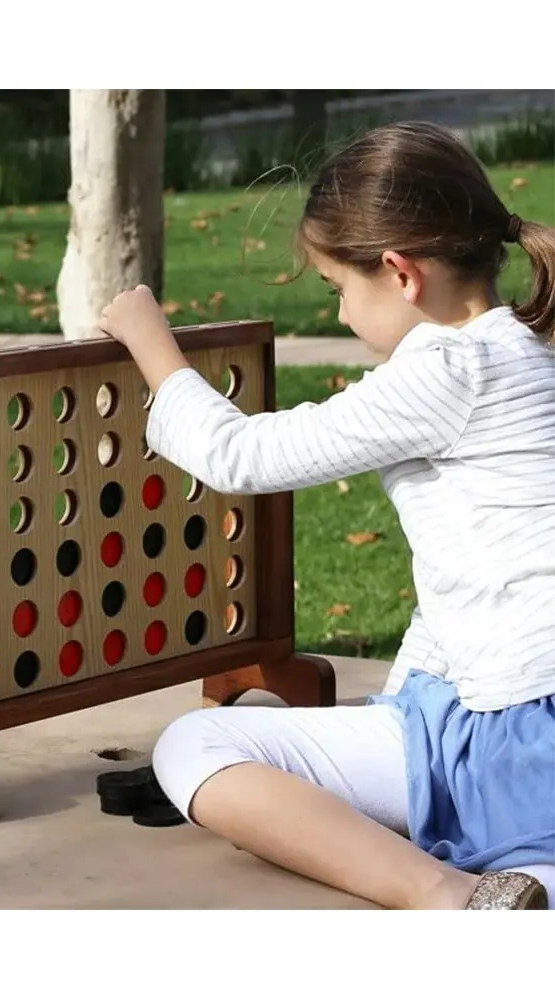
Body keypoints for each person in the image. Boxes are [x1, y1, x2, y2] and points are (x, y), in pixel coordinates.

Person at [99, 121, 555, 910]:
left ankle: (451, 896)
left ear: (399, 272)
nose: (343, 317)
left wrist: (150, 340)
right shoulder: (532, 344)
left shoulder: (446, 368)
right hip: (500, 710)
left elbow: (241, 455)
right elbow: (470, 582)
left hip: (518, 738)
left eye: (338, 291)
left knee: (195, 742)